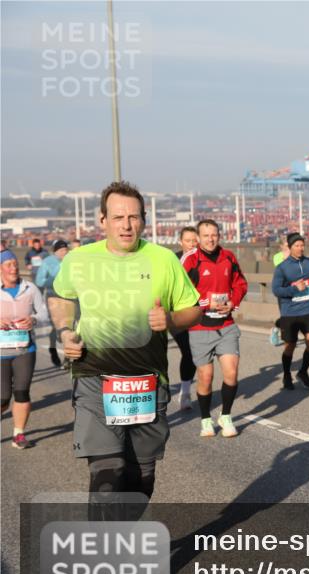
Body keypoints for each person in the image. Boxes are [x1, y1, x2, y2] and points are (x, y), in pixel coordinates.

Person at [48, 181, 200, 512]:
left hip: (147, 381)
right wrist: (64, 332)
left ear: (144, 220)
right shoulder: (79, 259)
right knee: (108, 471)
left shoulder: (162, 259)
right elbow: (60, 297)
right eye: (118, 217)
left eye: (133, 217)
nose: (126, 225)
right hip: (94, 377)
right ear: (102, 220)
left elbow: (194, 308)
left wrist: (171, 319)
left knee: (141, 478)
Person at [182, 219, 248, 437]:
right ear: (198, 238)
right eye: (206, 235)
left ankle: (226, 415)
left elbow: (240, 283)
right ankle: (205, 419)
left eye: (214, 235)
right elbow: (181, 294)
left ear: (219, 236)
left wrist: (233, 303)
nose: (210, 239)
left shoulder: (228, 257)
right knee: (206, 376)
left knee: (231, 371)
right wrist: (205, 303)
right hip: (200, 326)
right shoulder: (191, 260)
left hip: (226, 324)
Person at [1, 250, 48, 449]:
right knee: (3, 397)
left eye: (15, 264)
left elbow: (44, 313)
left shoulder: (30, 288)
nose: (13, 268)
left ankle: (18, 434)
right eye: (8, 264)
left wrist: (33, 319)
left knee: (22, 392)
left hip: (25, 350)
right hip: (1, 352)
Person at [272, 233, 309, 390]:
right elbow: (276, 290)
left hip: (308, 309)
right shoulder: (282, 267)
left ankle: (303, 372)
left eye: (302, 245)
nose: (300, 248)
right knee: (290, 346)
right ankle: (286, 375)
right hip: (290, 312)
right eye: (297, 246)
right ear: (290, 247)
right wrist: (293, 289)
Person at [172, 227, 199, 409]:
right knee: (186, 351)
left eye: (194, 240)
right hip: (175, 314)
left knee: (193, 353)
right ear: (180, 242)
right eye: (188, 241)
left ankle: (186, 390)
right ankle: (178, 390)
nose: (192, 244)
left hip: (196, 313)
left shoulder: (202, 259)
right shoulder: (172, 260)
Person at [35, 239, 70, 367]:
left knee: (70, 327)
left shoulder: (72, 261)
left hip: (69, 297)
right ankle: (53, 349)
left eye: (66, 249)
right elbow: (39, 281)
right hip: (53, 297)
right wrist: (56, 281)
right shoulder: (47, 262)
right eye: (61, 250)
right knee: (57, 327)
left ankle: (67, 357)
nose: (64, 252)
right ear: (55, 251)